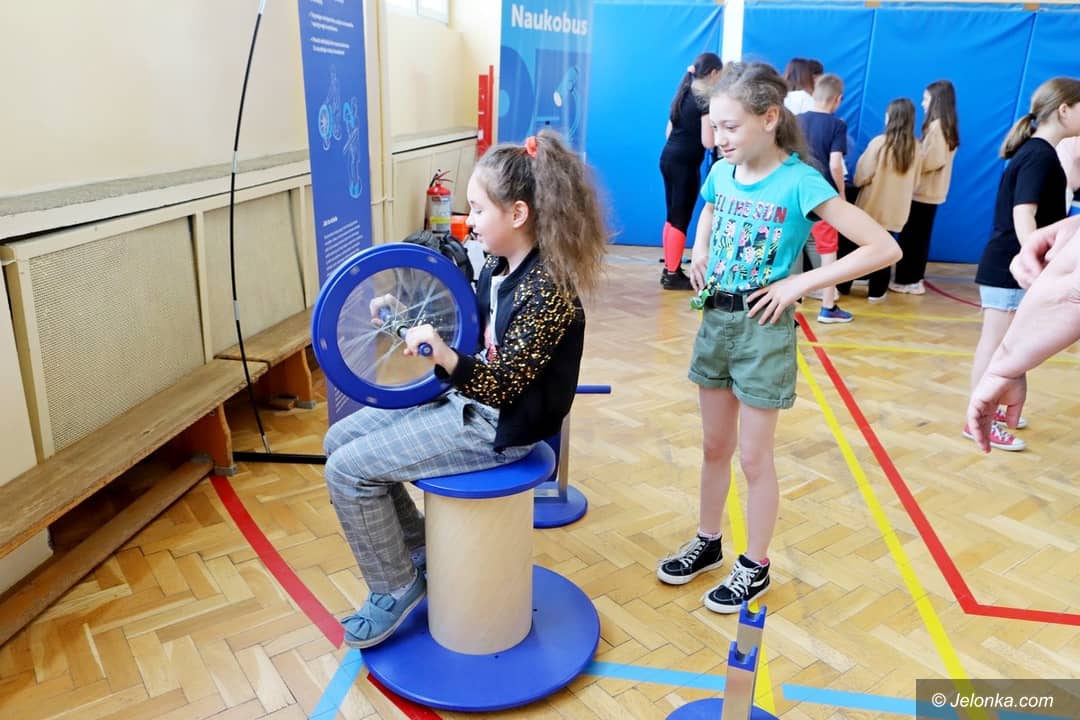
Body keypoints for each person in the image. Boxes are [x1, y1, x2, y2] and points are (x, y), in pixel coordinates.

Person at [323, 129, 607, 648]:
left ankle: (394, 586)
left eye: (477, 210)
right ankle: (418, 555)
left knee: (347, 470)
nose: (468, 221)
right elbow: (469, 339)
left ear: (517, 214)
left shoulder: (549, 289)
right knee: (336, 442)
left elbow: (502, 386)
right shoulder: (498, 266)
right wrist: (402, 321)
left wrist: (444, 356)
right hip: (467, 401)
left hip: (500, 428)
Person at [656, 62, 900, 613]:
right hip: (716, 322)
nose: (719, 139)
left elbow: (884, 247)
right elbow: (710, 209)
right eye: (715, 126)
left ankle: (755, 564)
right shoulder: (723, 171)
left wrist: (798, 283)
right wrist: (700, 250)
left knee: (753, 458)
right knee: (714, 447)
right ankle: (708, 541)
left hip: (763, 331)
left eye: (730, 127)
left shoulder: (800, 181)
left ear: (769, 118)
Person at [965, 77, 1080, 452]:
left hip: (1010, 265)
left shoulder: (1042, 153)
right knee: (996, 344)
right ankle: (976, 419)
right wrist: (1036, 261)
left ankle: (994, 410)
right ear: (1064, 110)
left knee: (1007, 344)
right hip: (1007, 266)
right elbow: (1023, 215)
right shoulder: (1039, 155)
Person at [967, 214, 1080, 452]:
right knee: (992, 342)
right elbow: (1070, 296)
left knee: (994, 344)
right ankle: (983, 413)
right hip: (1010, 274)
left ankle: (990, 406)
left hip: (1022, 271)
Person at [660, 52, 724, 290]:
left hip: (668, 158)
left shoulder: (683, 93)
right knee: (681, 219)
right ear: (714, 73)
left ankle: (670, 266)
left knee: (671, 216)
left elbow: (668, 133)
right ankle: (672, 274)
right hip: (685, 163)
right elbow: (708, 142)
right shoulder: (704, 100)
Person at [891, 80, 960, 294]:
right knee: (919, 238)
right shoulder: (946, 126)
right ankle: (914, 278)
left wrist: (915, 157)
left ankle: (908, 280)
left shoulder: (937, 127)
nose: (923, 103)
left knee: (912, 238)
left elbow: (934, 160)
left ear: (936, 101)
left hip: (923, 193)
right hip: (933, 192)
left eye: (926, 99)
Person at [797, 73, 854, 322]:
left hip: (797, 194)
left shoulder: (797, 120)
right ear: (838, 99)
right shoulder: (837, 125)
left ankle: (788, 298)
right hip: (822, 195)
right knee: (828, 251)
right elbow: (835, 164)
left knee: (792, 245)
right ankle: (828, 307)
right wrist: (841, 193)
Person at [853, 98, 921, 302]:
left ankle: (845, 285)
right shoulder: (916, 148)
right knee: (885, 249)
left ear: (890, 117)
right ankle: (877, 291)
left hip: (871, 207)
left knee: (859, 247)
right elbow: (917, 182)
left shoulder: (879, 143)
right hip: (897, 211)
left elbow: (861, 175)